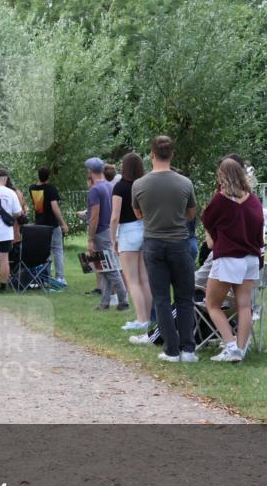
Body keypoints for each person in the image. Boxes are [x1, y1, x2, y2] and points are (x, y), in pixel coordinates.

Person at [129, 136, 199, 362]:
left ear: (151, 154)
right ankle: (188, 349)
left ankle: (171, 349)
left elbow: (138, 214)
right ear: (172, 155)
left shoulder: (138, 185)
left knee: (161, 298)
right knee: (185, 298)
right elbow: (191, 214)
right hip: (179, 243)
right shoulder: (185, 183)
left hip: (153, 244)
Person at [200, 158, 265, 363]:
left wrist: (217, 236)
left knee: (212, 303)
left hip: (229, 258)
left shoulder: (220, 200)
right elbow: (259, 231)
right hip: (251, 258)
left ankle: (230, 345)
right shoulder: (253, 200)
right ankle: (240, 349)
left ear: (221, 175)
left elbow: (207, 221)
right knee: (244, 305)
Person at [111, 153, 151, 331]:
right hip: (145, 229)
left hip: (127, 231)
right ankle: (148, 318)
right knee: (144, 279)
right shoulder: (145, 184)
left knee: (132, 280)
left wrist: (113, 239)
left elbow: (114, 216)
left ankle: (141, 319)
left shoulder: (120, 187)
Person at [85, 157, 129, 311]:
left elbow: (94, 216)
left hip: (100, 232)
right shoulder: (108, 186)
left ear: (90, 172)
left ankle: (123, 301)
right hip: (108, 229)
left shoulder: (95, 190)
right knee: (103, 269)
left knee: (109, 269)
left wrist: (90, 239)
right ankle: (104, 303)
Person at [28, 167, 68, 287]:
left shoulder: (32, 188)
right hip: (52, 224)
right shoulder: (51, 189)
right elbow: (54, 207)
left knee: (45, 251)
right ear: (48, 177)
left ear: (38, 175)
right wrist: (63, 223)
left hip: (39, 224)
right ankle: (60, 277)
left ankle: (45, 276)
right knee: (57, 250)